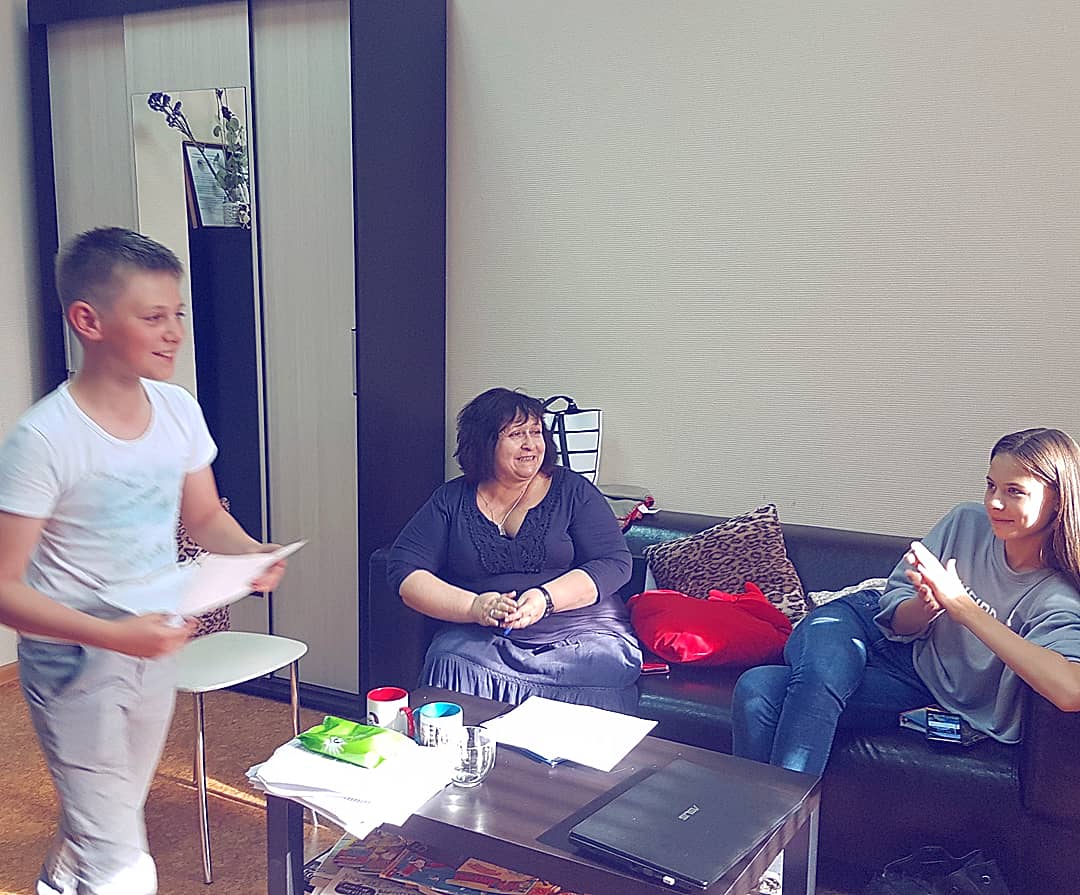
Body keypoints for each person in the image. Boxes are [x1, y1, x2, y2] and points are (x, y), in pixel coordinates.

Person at [0, 227, 289, 895]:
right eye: (153, 316)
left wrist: (250, 553)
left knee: (108, 813)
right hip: (75, 658)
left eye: (177, 313)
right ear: (88, 321)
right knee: (122, 861)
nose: (174, 333)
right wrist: (112, 635)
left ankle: (58, 882)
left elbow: (204, 516)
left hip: (154, 638)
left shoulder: (178, 409)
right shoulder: (44, 439)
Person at [732, 427, 1080, 777]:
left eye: (1014, 491)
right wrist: (925, 607)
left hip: (915, 685)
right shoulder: (966, 522)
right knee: (820, 671)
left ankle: (772, 811)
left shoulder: (1056, 596)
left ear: (1058, 500)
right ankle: (784, 813)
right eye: (991, 486)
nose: (994, 503)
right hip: (863, 622)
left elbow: (1071, 691)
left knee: (758, 689)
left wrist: (963, 608)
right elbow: (896, 618)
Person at [387, 387, 641, 712]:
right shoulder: (451, 499)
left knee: (601, 666)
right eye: (516, 434)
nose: (531, 444)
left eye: (536, 432)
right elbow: (404, 569)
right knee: (449, 658)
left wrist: (546, 599)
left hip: (579, 628)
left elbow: (615, 562)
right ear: (484, 443)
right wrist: (474, 606)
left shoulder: (573, 490)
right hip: (486, 634)